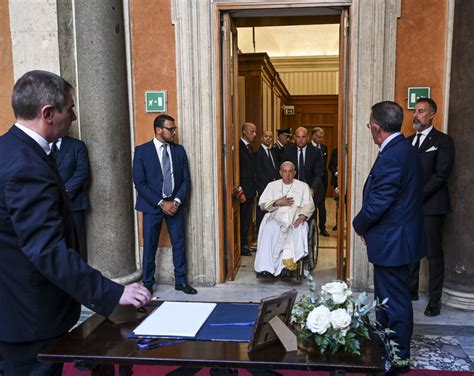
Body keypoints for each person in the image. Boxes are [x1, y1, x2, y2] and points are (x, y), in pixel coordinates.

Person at [0, 70, 151, 375]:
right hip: (28, 315)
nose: (73, 115)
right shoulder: (25, 165)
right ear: (47, 113)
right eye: (69, 108)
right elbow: (46, 250)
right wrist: (112, 292)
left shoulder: (9, 149)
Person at [353, 101, 425, 375]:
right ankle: (386, 345)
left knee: (394, 300)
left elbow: (380, 201)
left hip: (394, 241)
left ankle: (400, 359)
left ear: (376, 128)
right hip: (394, 239)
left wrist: (358, 224)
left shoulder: (395, 154)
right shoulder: (402, 148)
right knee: (388, 298)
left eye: (369, 125)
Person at [133, 114, 197, 295]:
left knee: (179, 243)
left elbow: (186, 180)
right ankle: (147, 283)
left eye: (174, 129)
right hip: (152, 206)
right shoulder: (142, 151)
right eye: (171, 129)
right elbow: (139, 182)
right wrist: (161, 203)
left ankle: (181, 281)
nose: (174, 132)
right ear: (158, 130)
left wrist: (176, 201)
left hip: (175, 206)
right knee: (150, 245)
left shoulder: (179, 151)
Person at [408, 97, 455, 317]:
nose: (416, 115)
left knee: (433, 254)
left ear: (432, 114)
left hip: (432, 207)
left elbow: (441, 175)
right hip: (409, 208)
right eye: (415, 111)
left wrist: (417, 195)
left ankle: (434, 301)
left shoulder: (443, 141)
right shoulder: (407, 142)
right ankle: (411, 291)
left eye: (420, 111)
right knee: (410, 250)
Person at [254, 161, 314, 278]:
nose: (287, 174)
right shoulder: (272, 185)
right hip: (276, 217)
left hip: (296, 217)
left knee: (299, 229)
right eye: (285, 171)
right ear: (280, 173)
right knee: (269, 229)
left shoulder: (303, 186)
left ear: (294, 173)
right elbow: (262, 204)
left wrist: (302, 217)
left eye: (290, 171)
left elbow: (309, 205)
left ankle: (287, 267)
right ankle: (266, 268)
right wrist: (277, 202)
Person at [52, 135, 90, 260]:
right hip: (50, 204)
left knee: (75, 244)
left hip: (74, 204)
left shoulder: (77, 145)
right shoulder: (41, 146)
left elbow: (82, 172)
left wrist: (64, 192)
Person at [282, 127, 325, 217]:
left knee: (310, 219)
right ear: (294, 137)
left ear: (308, 137)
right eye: (298, 137)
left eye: (303, 137)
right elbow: (284, 173)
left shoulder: (316, 152)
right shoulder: (288, 152)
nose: (300, 140)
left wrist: (312, 189)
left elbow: (318, 173)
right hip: (293, 191)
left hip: (311, 190)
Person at [255, 130, 280, 232]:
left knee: (273, 209)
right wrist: (268, 185)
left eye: (270, 137)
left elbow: (276, 169)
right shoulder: (258, 152)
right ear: (262, 138)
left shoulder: (273, 153)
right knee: (262, 210)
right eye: (266, 136)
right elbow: (258, 171)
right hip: (263, 187)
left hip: (274, 188)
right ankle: (260, 231)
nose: (268, 138)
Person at [239, 122, 257, 256]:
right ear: (244, 132)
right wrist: (240, 190)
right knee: (243, 219)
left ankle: (246, 243)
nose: (254, 134)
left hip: (251, 190)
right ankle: (241, 245)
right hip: (243, 191)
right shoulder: (239, 147)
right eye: (252, 131)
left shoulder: (250, 147)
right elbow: (237, 171)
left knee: (248, 219)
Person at [311, 127, 329, 236]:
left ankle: (322, 227)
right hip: (312, 181)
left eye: (322, 137)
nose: (321, 139)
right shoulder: (308, 147)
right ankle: (313, 229)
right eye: (319, 137)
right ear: (313, 136)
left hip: (322, 181)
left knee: (322, 206)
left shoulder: (324, 147)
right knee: (312, 206)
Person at [328, 147, 338, 231]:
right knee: (338, 204)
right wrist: (335, 172)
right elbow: (330, 165)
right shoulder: (335, 151)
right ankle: (338, 224)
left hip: (348, 181)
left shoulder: (351, 150)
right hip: (337, 181)